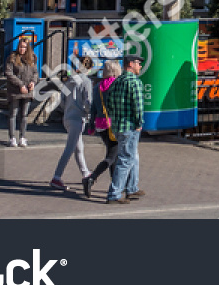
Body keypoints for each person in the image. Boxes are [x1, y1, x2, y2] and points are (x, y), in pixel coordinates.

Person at [105, 55, 148, 204]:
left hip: (117, 126)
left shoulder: (116, 82)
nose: (140, 66)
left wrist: (114, 118)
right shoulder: (134, 82)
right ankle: (114, 194)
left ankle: (132, 188)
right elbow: (138, 106)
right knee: (125, 159)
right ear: (130, 64)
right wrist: (139, 123)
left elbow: (108, 102)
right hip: (129, 126)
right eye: (138, 63)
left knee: (132, 156)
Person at [51, 58, 96, 197]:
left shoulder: (69, 81)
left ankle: (85, 172)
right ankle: (56, 177)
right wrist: (90, 114)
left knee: (78, 147)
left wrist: (67, 110)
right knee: (70, 148)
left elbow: (62, 101)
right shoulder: (86, 82)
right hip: (78, 117)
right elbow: (88, 101)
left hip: (68, 116)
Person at [86, 61, 121, 188]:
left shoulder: (97, 87)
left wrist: (91, 126)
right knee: (112, 156)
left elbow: (93, 108)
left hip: (101, 125)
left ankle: (114, 183)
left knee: (112, 153)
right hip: (114, 125)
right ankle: (91, 178)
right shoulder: (117, 85)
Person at [4, 37, 38, 148]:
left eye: (24, 47)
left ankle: (22, 137)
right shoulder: (12, 58)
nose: (21, 49)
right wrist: (20, 85)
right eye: (20, 46)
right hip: (15, 91)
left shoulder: (32, 58)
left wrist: (33, 82)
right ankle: (12, 137)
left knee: (24, 115)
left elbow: (35, 72)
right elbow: (9, 73)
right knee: (13, 114)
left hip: (27, 91)